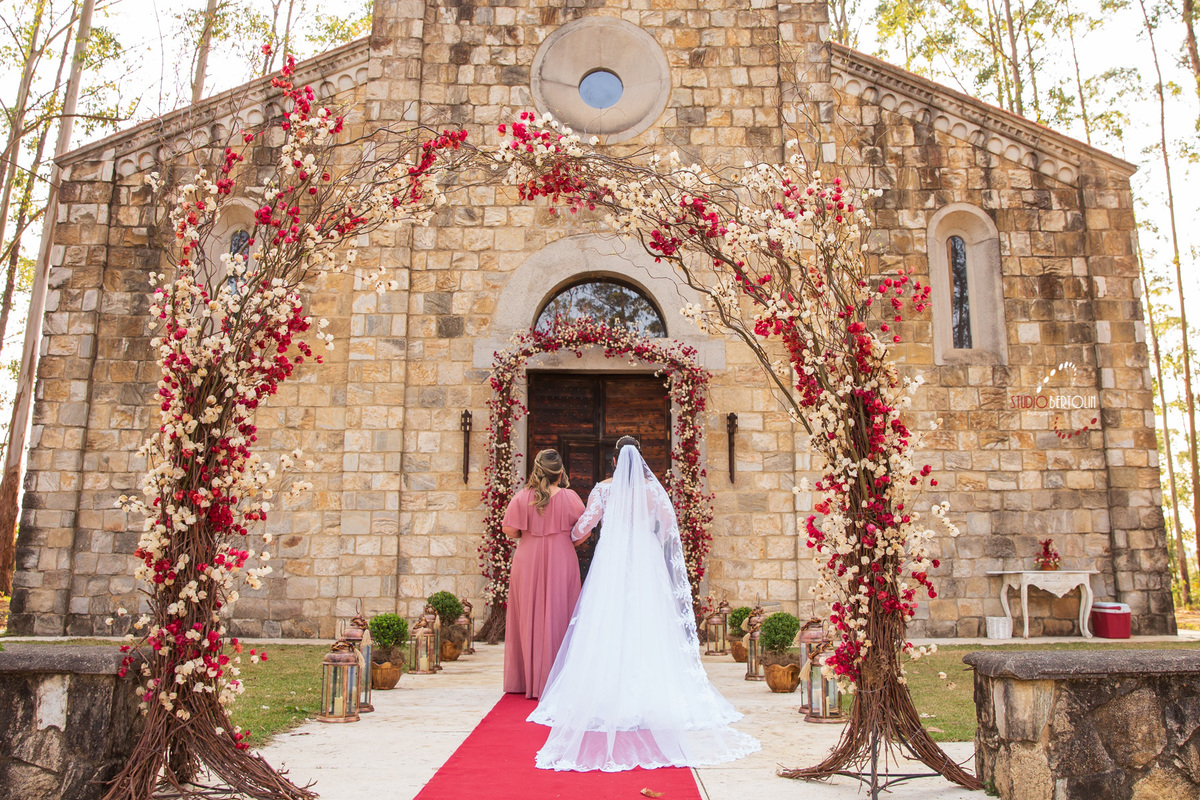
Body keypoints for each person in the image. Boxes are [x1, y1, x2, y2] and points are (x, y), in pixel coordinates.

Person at [528, 437, 761, 771]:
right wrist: (647, 538)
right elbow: (668, 529)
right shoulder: (654, 492)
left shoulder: (603, 491)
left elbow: (584, 525)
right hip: (646, 561)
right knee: (649, 621)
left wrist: (571, 535)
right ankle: (655, 692)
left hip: (612, 563)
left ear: (613, 463)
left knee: (609, 621)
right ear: (640, 461)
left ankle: (606, 693)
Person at [501, 449, 586, 699]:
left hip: (527, 557)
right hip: (562, 556)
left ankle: (525, 679)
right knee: (561, 611)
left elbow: (509, 529)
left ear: (537, 470)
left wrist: (529, 535)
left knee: (527, 612)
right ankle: (559, 679)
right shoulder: (570, 498)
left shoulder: (522, 497)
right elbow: (583, 533)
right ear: (560, 473)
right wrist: (562, 538)